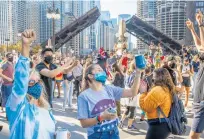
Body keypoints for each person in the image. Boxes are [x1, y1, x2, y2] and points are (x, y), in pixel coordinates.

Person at [6, 29, 56, 139]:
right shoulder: (19, 106)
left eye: (38, 81)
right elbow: (20, 80)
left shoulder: (46, 109)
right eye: (31, 81)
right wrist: (25, 46)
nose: (37, 84)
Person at [77, 63, 141, 139]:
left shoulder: (109, 89)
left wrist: (138, 73)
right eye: (99, 70)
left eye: (102, 70)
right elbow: (84, 123)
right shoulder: (84, 96)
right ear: (90, 76)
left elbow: (132, 92)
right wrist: (102, 117)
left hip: (114, 133)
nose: (103, 72)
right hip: (97, 135)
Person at [139, 68, 175, 139]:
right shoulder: (168, 87)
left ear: (158, 78)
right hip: (164, 123)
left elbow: (145, 107)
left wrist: (143, 92)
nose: (152, 79)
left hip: (157, 124)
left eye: (153, 77)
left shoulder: (158, 90)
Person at [186, 11, 204, 139]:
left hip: (202, 102)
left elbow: (202, 46)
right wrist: (193, 28)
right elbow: (200, 46)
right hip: (199, 100)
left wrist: (200, 24)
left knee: (193, 136)